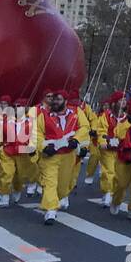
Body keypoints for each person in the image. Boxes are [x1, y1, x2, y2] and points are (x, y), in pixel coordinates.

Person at [36, 90, 81, 224]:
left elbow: (83, 128)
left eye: (59, 99)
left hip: (67, 155)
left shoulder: (75, 115)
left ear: (65, 102)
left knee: (63, 186)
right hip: (51, 156)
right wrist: (43, 146)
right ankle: (50, 211)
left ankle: (58, 199)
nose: (55, 102)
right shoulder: (43, 116)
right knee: (50, 182)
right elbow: (37, 133)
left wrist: (77, 140)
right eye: (54, 99)